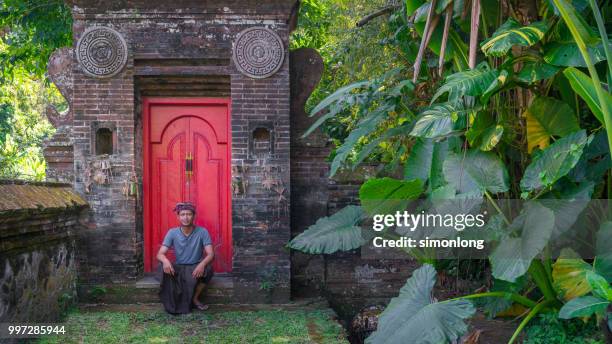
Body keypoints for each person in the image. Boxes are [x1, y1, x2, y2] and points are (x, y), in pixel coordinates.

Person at [157, 202, 214, 314]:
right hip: (179, 267)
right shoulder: (172, 232)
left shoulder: (202, 232)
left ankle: (195, 298)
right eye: (182, 214)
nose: (186, 217)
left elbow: (211, 254)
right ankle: (174, 301)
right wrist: (165, 261)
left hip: (195, 266)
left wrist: (202, 264)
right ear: (178, 217)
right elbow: (160, 254)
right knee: (162, 268)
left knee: (209, 269)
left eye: (189, 214)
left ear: (194, 216)